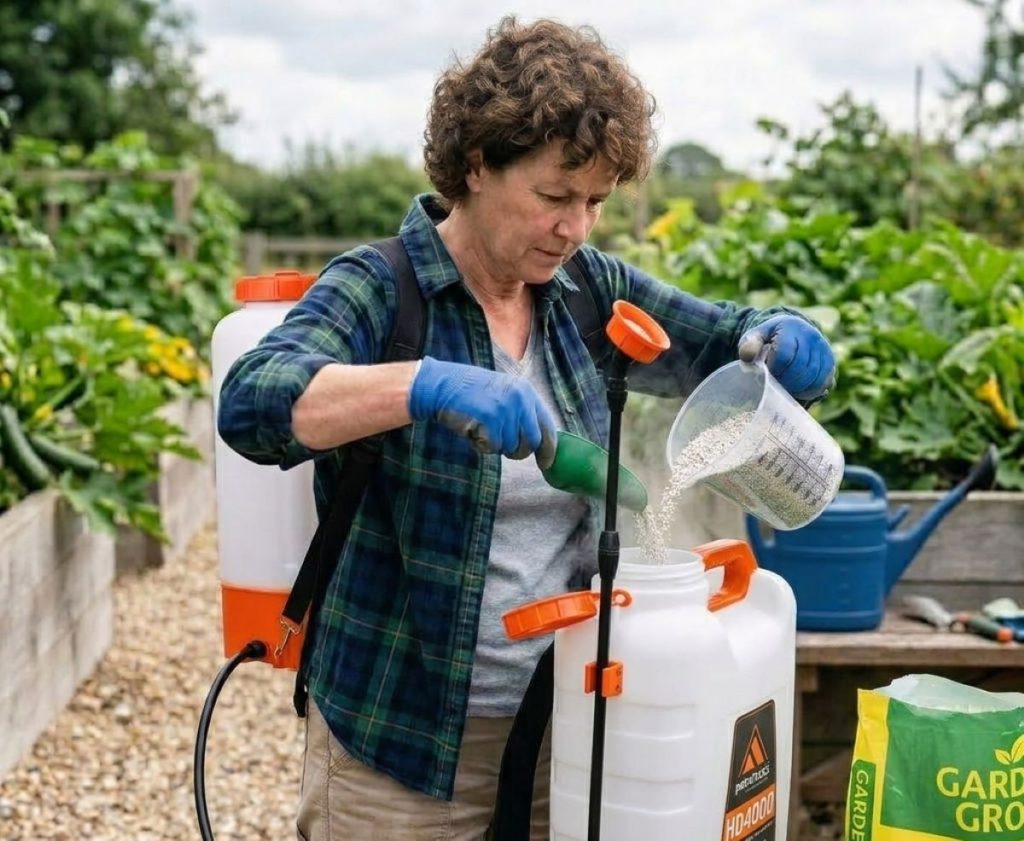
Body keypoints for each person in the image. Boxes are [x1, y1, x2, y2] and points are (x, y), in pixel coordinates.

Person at [217, 16, 836, 841]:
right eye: (553, 197)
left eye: (595, 202)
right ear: (476, 164)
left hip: (571, 726)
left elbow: (723, 342)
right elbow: (253, 402)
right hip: (401, 743)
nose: (575, 228)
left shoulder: (585, 292)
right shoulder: (383, 290)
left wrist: (782, 337)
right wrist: (425, 384)